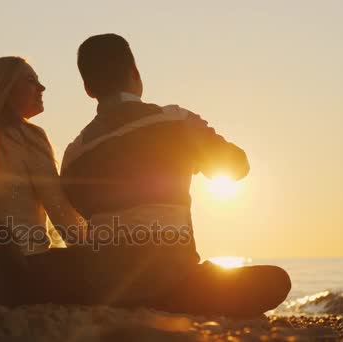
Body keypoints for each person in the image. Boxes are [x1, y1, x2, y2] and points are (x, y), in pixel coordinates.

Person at [36, 33, 290, 316]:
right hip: (174, 277)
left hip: (103, 283)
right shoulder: (176, 121)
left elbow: (79, 219)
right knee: (276, 280)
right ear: (135, 73)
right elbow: (237, 166)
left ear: (88, 89)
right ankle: (171, 299)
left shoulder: (75, 153)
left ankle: (136, 297)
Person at [0, 57, 84, 255]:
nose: (41, 87)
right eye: (30, 81)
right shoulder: (28, 136)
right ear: (6, 89)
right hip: (26, 265)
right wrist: (93, 249)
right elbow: (59, 211)